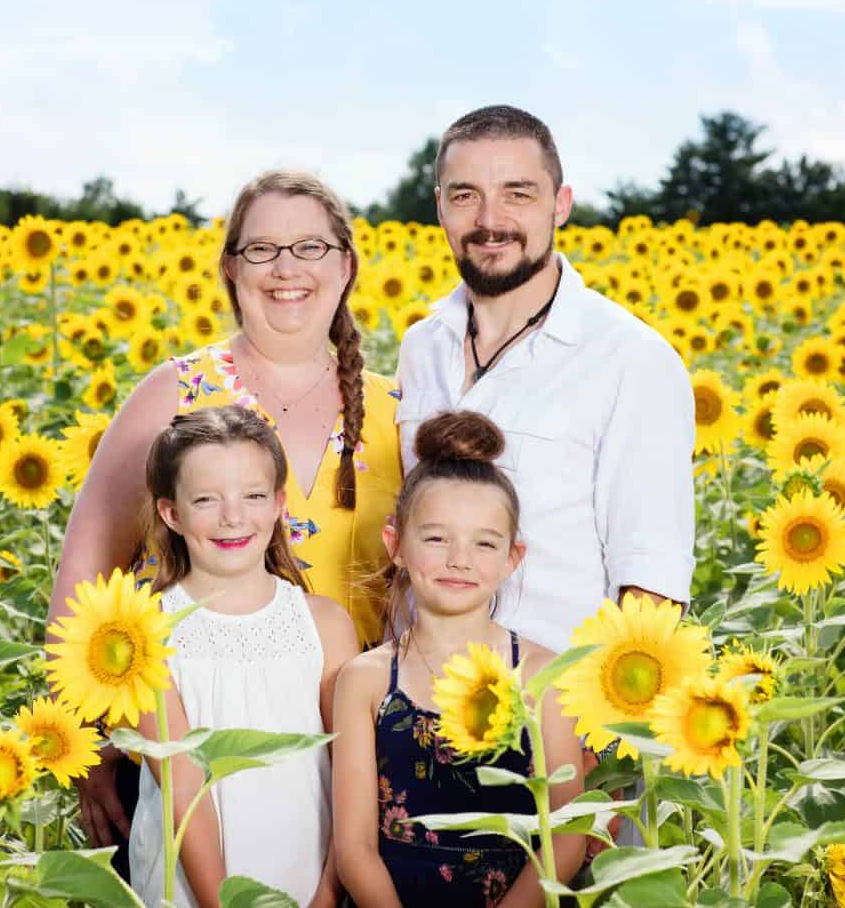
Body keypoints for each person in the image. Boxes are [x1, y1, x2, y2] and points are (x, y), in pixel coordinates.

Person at [51, 170, 403, 873]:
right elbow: (83, 576)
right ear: (230, 268)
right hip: (184, 745)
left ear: (347, 265)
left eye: (309, 246)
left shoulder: (400, 411)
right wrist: (86, 740)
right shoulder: (174, 393)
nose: (286, 269)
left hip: (356, 759)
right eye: (262, 249)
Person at [395, 105, 696, 653]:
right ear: (440, 207)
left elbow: (653, 578)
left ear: (561, 205)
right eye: (465, 195)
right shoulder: (421, 346)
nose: (491, 220)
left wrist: (602, 729)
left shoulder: (631, 360)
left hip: (554, 711)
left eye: (518, 193)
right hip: (417, 700)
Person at [332, 411, 585, 908]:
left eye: (484, 543)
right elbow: (355, 849)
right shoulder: (364, 680)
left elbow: (567, 834)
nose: (459, 559)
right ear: (395, 545)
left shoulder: (543, 675)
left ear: (513, 557)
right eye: (435, 538)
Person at [127, 405, 358, 907]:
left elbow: (353, 778)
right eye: (207, 499)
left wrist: (328, 894)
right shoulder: (144, 631)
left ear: (278, 504)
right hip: (193, 889)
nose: (234, 516)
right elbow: (183, 787)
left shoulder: (325, 624)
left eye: (253, 496)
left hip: (307, 879)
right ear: (172, 513)